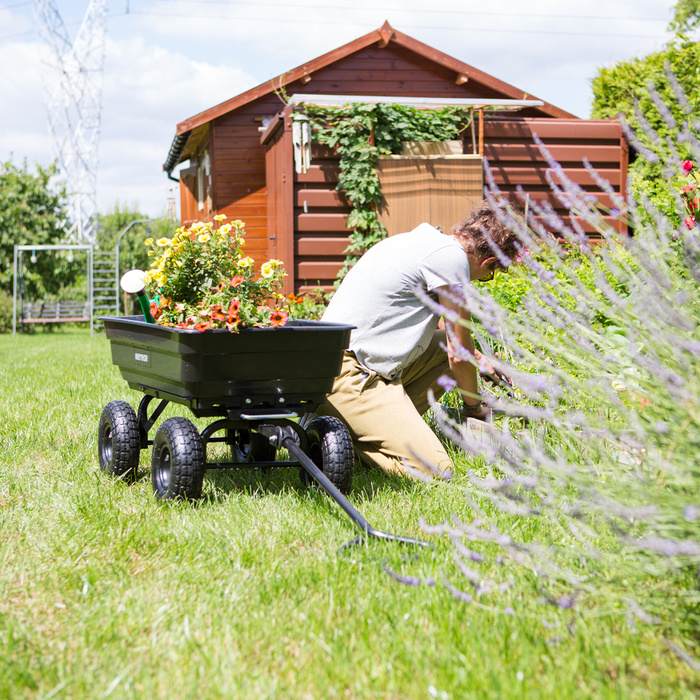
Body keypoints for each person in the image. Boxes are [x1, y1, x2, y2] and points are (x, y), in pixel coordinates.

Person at [316, 199, 522, 479]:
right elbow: (458, 352)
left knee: (439, 350)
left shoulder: (423, 241)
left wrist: (478, 359)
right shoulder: (452, 261)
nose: (481, 279)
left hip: (329, 367)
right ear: (489, 261)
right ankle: (343, 443)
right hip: (349, 377)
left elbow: (448, 338)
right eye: (488, 275)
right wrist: (473, 409)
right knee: (438, 470)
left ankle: (353, 429)